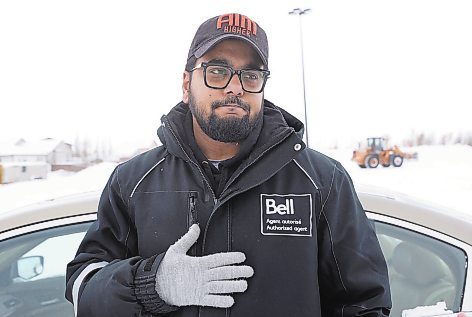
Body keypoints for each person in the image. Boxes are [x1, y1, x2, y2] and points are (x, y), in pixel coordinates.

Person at [66, 13, 391, 317]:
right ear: (185, 84)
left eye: (250, 75)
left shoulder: (321, 181)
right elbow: (83, 289)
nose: (235, 87)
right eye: (217, 71)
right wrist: (149, 285)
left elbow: (365, 303)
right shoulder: (132, 182)